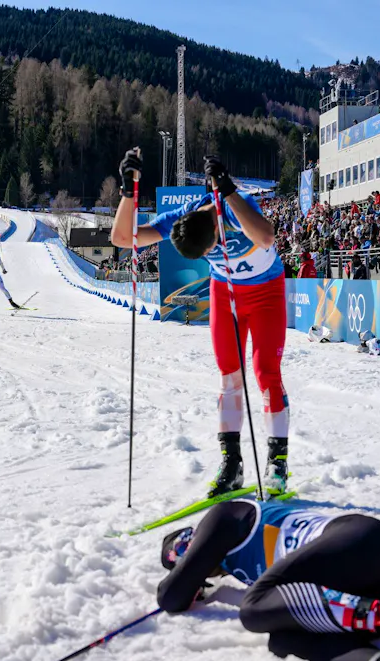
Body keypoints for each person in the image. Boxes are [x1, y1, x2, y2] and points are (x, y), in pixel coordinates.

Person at [110, 148, 290, 498]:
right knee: (229, 379)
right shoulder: (187, 216)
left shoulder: (234, 209)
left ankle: (277, 464)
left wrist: (228, 190)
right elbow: (122, 239)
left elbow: (267, 237)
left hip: (266, 292)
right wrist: (127, 193)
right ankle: (232, 464)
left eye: (210, 250)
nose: (212, 254)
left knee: (266, 373)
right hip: (226, 294)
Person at [157, 499, 380, 661]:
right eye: (178, 559)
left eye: (184, 545)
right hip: (373, 590)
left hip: (365, 542)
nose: (186, 558)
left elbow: (171, 597)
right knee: (283, 638)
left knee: (253, 610)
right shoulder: (237, 567)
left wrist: (181, 578)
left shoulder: (226, 515)